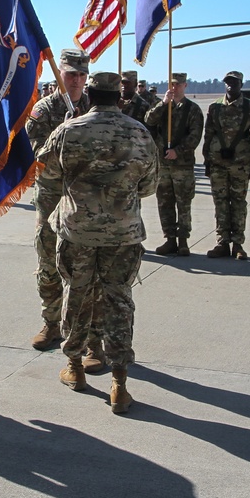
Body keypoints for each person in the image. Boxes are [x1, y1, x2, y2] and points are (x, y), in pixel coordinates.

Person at [35, 71, 158, 414]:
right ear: (119, 97)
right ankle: (119, 382)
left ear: (88, 95)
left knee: (77, 295)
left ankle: (74, 368)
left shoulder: (67, 131)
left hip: (79, 231)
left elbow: (48, 178)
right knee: (119, 300)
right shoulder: (139, 132)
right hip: (122, 233)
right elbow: (149, 186)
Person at [24, 49, 91, 354]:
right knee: (48, 265)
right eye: (70, 74)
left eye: (81, 74)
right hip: (51, 200)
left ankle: (83, 330)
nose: (76, 80)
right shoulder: (43, 111)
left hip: (86, 203)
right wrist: (65, 132)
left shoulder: (97, 107)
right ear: (59, 75)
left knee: (86, 270)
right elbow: (40, 158)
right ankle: (51, 323)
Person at [202, 71, 250, 259]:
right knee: (220, 203)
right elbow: (208, 135)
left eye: (235, 83)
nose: (231, 86)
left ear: (241, 84)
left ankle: (238, 243)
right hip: (217, 163)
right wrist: (207, 161)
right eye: (228, 83)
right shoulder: (215, 108)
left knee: (238, 203)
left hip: (241, 164)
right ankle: (222, 241)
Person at [145, 72, 204, 257]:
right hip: (163, 165)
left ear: (185, 86)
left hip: (182, 165)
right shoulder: (163, 107)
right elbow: (149, 120)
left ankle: (183, 240)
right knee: (165, 203)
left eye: (178, 84)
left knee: (183, 203)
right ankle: (169, 238)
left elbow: (194, 136)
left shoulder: (192, 110)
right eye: (172, 84)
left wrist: (178, 150)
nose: (175, 87)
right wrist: (163, 104)